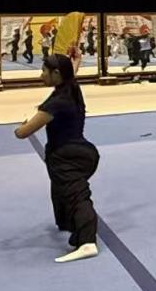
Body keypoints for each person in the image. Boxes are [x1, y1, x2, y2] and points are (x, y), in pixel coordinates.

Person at [13, 54, 101, 263]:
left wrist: (20, 127)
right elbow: (71, 73)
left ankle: (87, 242)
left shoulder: (56, 103)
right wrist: (76, 61)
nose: (41, 75)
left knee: (77, 197)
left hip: (68, 158)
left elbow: (24, 133)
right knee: (60, 191)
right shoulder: (71, 88)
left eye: (44, 71)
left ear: (56, 73)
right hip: (80, 152)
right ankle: (67, 223)